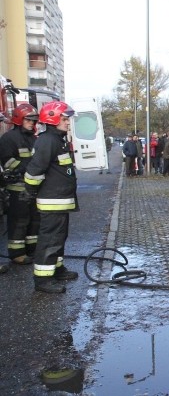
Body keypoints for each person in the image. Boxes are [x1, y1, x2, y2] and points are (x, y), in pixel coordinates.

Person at [24, 101, 79, 293]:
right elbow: (35, 170)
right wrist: (28, 191)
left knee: (59, 237)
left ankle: (56, 269)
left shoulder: (58, 140)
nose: (68, 123)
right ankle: (43, 280)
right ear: (53, 119)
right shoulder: (48, 141)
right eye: (64, 119)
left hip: (60, 200)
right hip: (52, 201)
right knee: (49, 239)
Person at [0, 104, 40, 266]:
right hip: (17, 189)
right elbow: (8, 162)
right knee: (19, 221)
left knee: (34, 220)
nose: (32, 123)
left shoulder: (33, 138)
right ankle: (17, 253)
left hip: (33, 187)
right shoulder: (9, 139)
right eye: (29, 120)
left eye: (34, 120)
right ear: (19, 119)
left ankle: (32, 250)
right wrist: (27, 167)